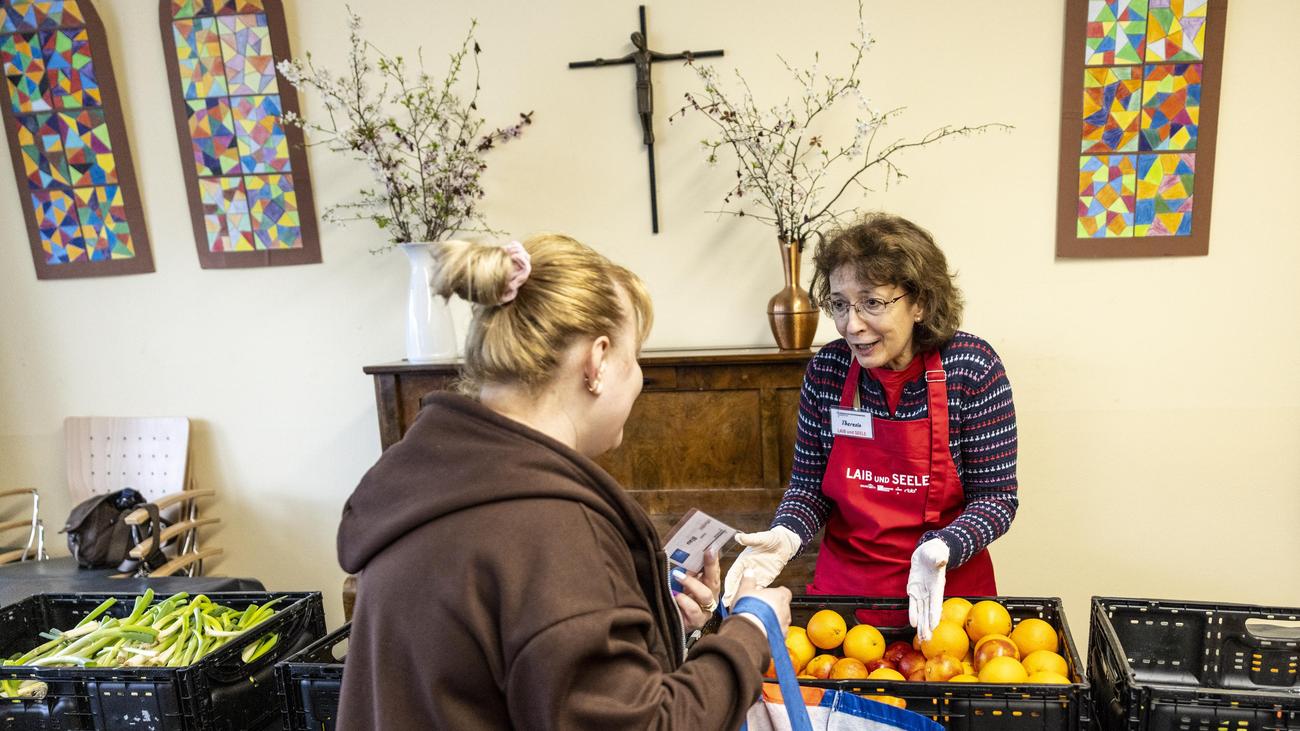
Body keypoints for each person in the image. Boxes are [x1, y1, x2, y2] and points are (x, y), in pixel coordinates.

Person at [337, 234, 792, 729]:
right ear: (596, 361)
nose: (637, 377)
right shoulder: (552, 529)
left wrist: (647, 631)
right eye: (635, 356)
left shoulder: (427, 480)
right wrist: (751, 633)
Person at [722, 213, 1019, 639]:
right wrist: (786, 533)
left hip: (950, 605)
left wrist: (942, 548)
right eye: (840, 304)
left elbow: (997, 498)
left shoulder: (970, 367)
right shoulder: (828, 370)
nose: (851, 324)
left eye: (872, 303)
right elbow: (809, 487)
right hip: (844, 606)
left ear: (919, 302)